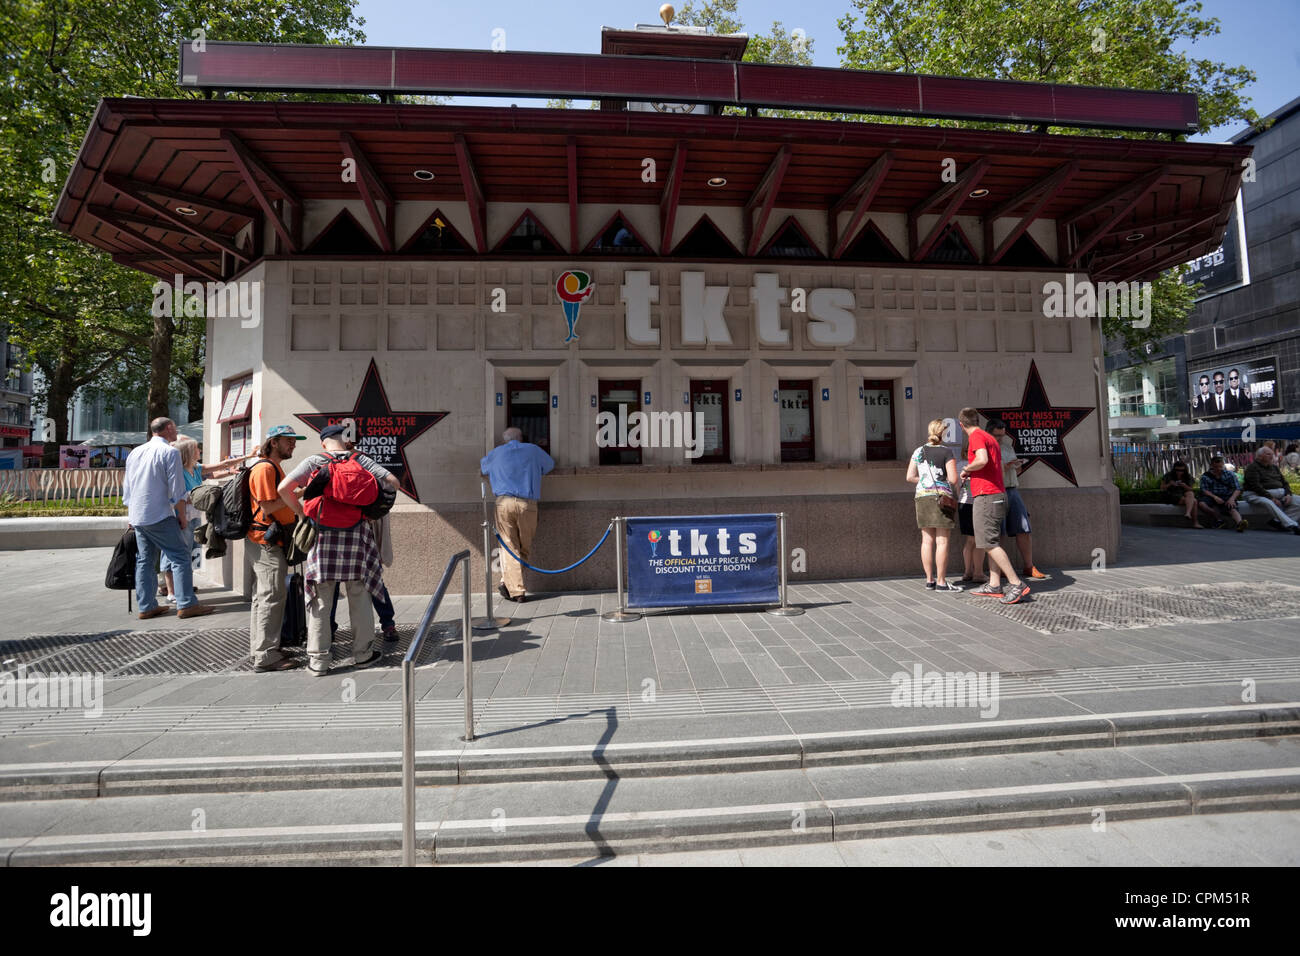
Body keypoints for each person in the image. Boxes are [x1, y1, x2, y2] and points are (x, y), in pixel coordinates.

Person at [278, 424, 400, 675]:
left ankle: (319, 660)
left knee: (321, 599)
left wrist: (301, 513)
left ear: (324, 443)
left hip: (322, 535)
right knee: (360, 595)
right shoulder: (362, 459)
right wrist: (370, 510)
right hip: (356, 534)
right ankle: (363, 655)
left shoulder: (315, 461)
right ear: (345, 441)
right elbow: (393, 483)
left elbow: (283, 490)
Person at [120, 417, 214, 620]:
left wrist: (131, 516)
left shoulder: (135, 452)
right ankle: (187, 604)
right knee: (180, 556)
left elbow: (127, 487)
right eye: (175, 428)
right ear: (169, 428)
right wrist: (182, 516)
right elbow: (177, 490)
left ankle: (146, 606)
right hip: (160, 514)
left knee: (145, 560)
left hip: (139, 515)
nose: (176, 431)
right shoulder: (170, 452)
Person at [243, 425, 306, 672]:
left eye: (294, 441)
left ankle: (262, 647)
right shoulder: (265, 468)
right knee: (271, 596)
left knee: (263, 596)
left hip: (265, 539)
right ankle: (266, 655)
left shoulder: (270, 467)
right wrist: (298, 494)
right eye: (288, 440)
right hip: (266, 540)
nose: (293, 445)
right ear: (274, 442)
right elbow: (268, 507)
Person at [957, 408, 1029, 605]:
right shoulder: (988, 438)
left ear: (961, 425)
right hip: (996, 494)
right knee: (991, 541)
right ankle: (994, 584)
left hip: (987, 496)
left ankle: (1016, 584)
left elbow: (982, 460)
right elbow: (988, 464)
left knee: (988, 543)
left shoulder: (976, 437)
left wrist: (966, 468)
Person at [480, 426, 555, 603]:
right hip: (526, 503)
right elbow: (549, 465)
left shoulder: (495, 453)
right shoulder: (533, 450)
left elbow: (483, 469)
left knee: (508, 545)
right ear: (521, 437)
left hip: (503, 503)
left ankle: (510, 585)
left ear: (505, 439)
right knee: (524, 545)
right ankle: (516, 590)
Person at [987, 419, 1048, 581]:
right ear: (989, 433)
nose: (1000, 438)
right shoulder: (985, 448)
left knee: (1023, 528)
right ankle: (998, 570)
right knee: (998, 532)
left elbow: (1017, 470)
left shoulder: (1007, 447)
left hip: (1012, 489)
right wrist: (1004, 467)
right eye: (996, 435)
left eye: (1002, 435)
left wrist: (1016, 465)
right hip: (995, 491)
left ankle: (1029, 565)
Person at [906, 420, 961, 592]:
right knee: (942, 541)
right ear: (943, 433)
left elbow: (909, 476)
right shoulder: (946, 451)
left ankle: (929, 580)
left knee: (927, 541)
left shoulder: (918, 451)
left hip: (922, 496)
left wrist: (924, 482)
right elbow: (952, 479)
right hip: (941, 497)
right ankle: (942, 582)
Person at [159, 436, 204, 604]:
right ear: (188, 452)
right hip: (181, 518)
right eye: (197, 448)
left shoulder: (195, 469)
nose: (199, 451)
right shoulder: (178, 472)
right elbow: (180, 498)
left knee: (192, 553)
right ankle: (172, 592)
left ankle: (185, 588)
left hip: (195, 517)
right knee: (177, 555)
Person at [1242, 446, 1300, 534]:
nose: (1271, 456)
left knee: (1298, 501)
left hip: (1277, 493)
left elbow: (1285, 482)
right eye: (1268, 454)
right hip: (1255, 494)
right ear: (1260, 456)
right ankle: (1292, 525)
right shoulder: (1252, 467)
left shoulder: (1274, 467)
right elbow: (1256, 486)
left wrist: (1288, 494)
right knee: (1268, 502)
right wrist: (1271, 498)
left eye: (1272, 454)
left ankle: (1277, 522)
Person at [955, 441, 985, 584]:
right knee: (978, 540)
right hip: (976, 503)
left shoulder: (960, 465)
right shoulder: (980, 464)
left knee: (970, 540)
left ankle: (968, 572)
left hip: (963, 503)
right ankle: (978, 573)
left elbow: (956, 486)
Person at [1160, 461, 1209, 528]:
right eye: (1177, 470)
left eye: (1181, 470)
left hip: (1184, 495)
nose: (1179, 472)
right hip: (1171, 495)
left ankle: (1188, 513)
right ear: (1174, 469)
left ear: (1185, 470)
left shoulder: (1188, 477)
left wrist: (1185, 486)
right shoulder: (1168, 476)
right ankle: (1195, 522)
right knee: (1194, 501)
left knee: (1190, 493)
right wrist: (1169, 484)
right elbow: (1162, 489)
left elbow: (1191, 489)